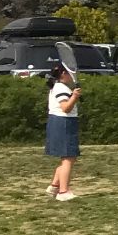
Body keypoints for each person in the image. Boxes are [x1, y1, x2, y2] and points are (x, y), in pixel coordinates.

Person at [44, 60, 81, 201]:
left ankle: (54, 186)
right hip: (63, 123)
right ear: (63, 73)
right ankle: (63, 191)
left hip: (59, 122)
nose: (72, 75)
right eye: (70, 72)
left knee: (67, 158)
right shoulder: (60, 88)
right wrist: (75, 96)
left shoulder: (58, 86)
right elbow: (66, 108)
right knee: (68, 158)